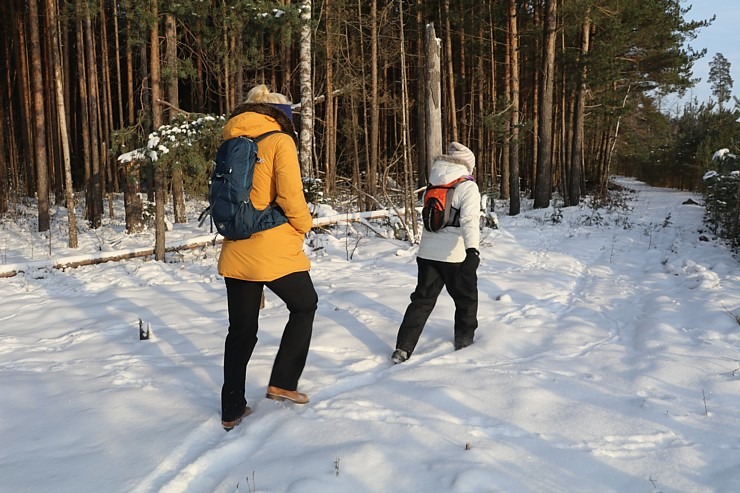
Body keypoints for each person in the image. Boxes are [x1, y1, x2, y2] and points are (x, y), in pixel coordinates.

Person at [218, 85, 318, 431]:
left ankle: (231, 409)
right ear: (278, 114)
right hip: (272, 248)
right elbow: (291, 195)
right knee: (305, 305)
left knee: (241, 331)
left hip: (236, 246)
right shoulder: (279, 141)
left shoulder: (231, 141)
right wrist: (305, 224)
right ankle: (283, 382)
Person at [391, 142, 481, 364]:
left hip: (427, 253)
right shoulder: (467, 187)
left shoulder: (433, 182)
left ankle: (403, 348)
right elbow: (470, 221)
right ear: (468, 165)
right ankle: (464, 343)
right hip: (455, 256)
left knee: (422, 300)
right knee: (466, 298)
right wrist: (473, 251)